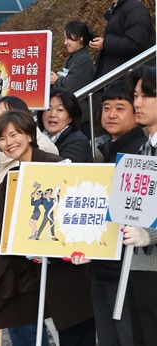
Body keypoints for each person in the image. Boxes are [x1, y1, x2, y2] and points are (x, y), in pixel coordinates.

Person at [0, 110, 95, 346]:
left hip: (64, 267)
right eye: (2, 139)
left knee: (73, 329)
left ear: (28, 134)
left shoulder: (56, 165)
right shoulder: (13, 174)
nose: (9, 143)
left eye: (14, 135)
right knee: (27, 328)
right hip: (28, 268)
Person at [83, 79, 147, 346]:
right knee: (108, 335)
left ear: (137, 112)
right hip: (104, 262)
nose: (110, 115)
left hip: (128, 267)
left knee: (126, 336)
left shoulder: (140, 153)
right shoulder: (108, 150)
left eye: (120, 108)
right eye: (106, 108)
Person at [0, 96, 58, 243]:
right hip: (8, 234)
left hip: (28, 238)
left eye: (3, 115)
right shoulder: (3, 149)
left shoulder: (43, 152)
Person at [123, 65, 157, 346]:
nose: (137, 102)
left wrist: (150, 234)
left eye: (147, 95)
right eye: (135, 95)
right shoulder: (143, 148)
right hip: (137, 264)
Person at [50, 21, 96, 137]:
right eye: (65, 39)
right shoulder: (74, 58)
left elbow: (70, 87)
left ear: (80, 39)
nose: (65, 43)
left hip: (80, 118)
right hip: (73, 115)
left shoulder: (84, 59)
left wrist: (56, 81)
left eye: (69, 38)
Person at [90, 0, 155, 80]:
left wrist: (105, 43)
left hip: (130, 78)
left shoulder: (135, 8)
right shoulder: (119, 8)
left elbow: (134, 43)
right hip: (121, 76)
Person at [38, 89, 93, 163]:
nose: (52, 114)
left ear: (71, 117)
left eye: (60, 110)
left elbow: (62, 171)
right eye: (48, 109)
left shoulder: (78, 142)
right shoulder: (39, 137)